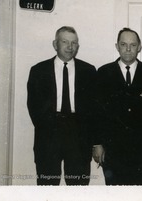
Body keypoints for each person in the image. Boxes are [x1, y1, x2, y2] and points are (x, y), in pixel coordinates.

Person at [92, 28, 142, 185]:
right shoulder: (104, 73)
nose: (128, 49)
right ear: (117, 46)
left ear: (139, 47)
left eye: (133, 44)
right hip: (112, 149)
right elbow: (96, 112)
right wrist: (97, 143)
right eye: (123, 44)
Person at [27, 26, 96, 185]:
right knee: (48, 186)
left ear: (78, 46)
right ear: (55, 44)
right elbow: (33, 106)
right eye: (65, 42)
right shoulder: (39, 70)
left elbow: (93, 108)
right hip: (49, 134)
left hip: (79, 136)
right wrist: (48, 127)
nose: (70, 47)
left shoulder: (89, 71)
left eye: (74, 43)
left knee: (78, 187)